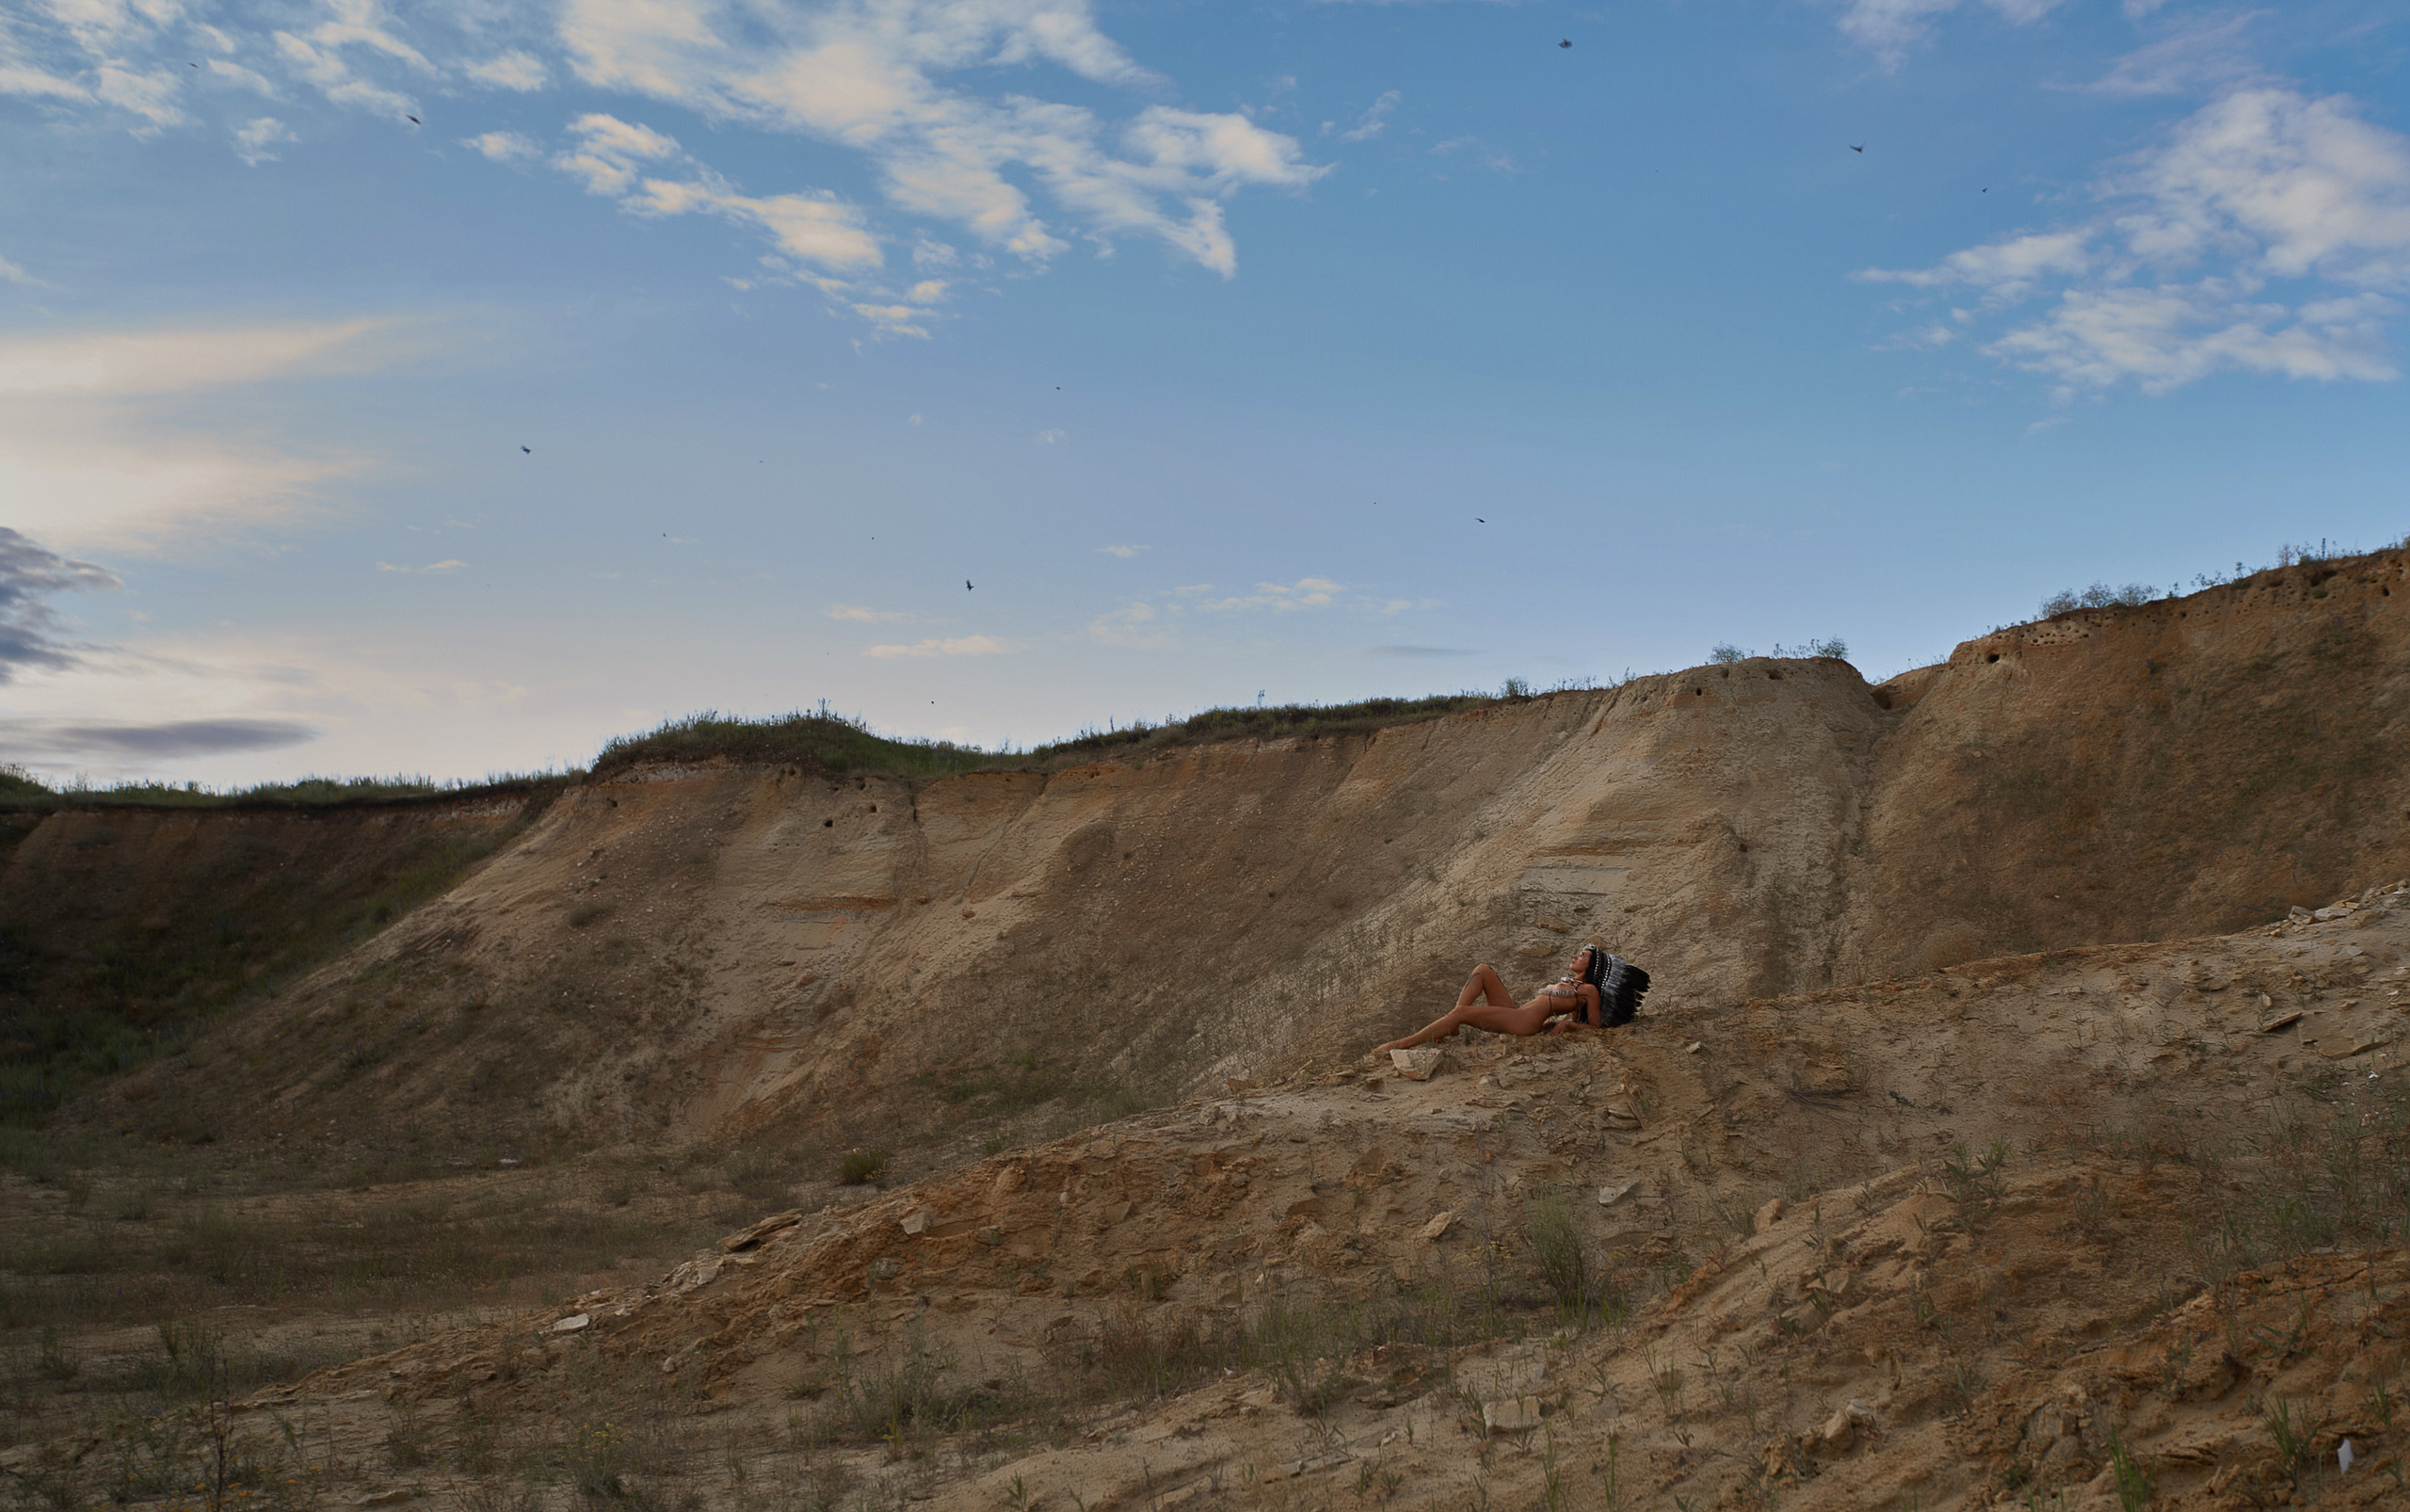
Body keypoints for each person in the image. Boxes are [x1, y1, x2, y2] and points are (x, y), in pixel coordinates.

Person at [1374, 944, 1607, 1053]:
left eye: (1582, 955)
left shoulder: (1589, 991)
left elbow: (1595, 1026)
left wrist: (1566, 1023)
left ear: (1592, 964)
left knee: (1461, 1014)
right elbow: (1571, 1011)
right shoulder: (1572, 984)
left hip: (1523, 1022)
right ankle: (1451, 1026)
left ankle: (1403, 1044)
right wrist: (1559, 1021)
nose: (1575, 956)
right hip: (1518, 1014)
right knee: (1483, 970)